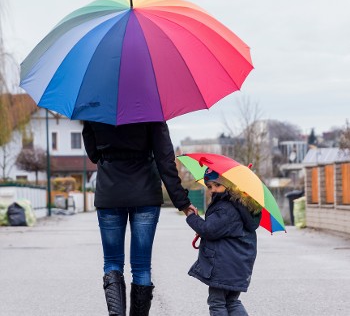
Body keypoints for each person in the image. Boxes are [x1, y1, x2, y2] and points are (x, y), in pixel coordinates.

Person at [82, 121, 196, 316]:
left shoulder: (95, 107)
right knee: (142, 266)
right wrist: (182, 202)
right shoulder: (152, 110)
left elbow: (93, 154)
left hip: (110, 192)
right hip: (145, 193)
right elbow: (165, 160)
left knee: (112, 263)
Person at [185, 168, 262, 316]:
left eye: (217, 185)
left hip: (223, 266)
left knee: (217, 303)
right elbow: (219, 229)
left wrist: (191, 216)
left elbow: (209, 230)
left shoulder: (226, 207)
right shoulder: (241, 205)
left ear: (229, 185)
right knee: (232, 302)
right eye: (209, 186)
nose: (213, 190)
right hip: (238, 265)